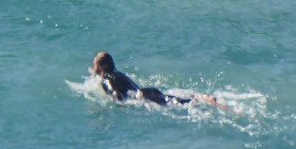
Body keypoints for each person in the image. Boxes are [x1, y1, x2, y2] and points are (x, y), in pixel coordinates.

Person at [89, 52, 221, 111]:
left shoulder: (106, 80)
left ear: (102, 66)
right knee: (176, 101)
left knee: (177, 104)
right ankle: (204, 98)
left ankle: (205, 100)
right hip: (147, 91)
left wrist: (119, 105)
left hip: (143, 96)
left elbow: (116, 94)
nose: (93, 68)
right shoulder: (119, 74)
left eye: (95, 65)